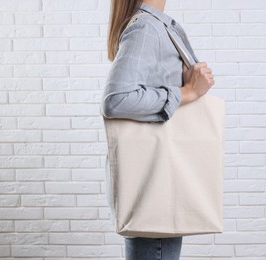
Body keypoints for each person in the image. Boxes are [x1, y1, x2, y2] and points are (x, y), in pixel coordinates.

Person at [103, 0, 215, 259]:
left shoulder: (155, 25)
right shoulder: (146, 27)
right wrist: (187, 91)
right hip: (158, 188)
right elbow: (116, 99)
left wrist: (185, 85)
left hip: (160, 183)